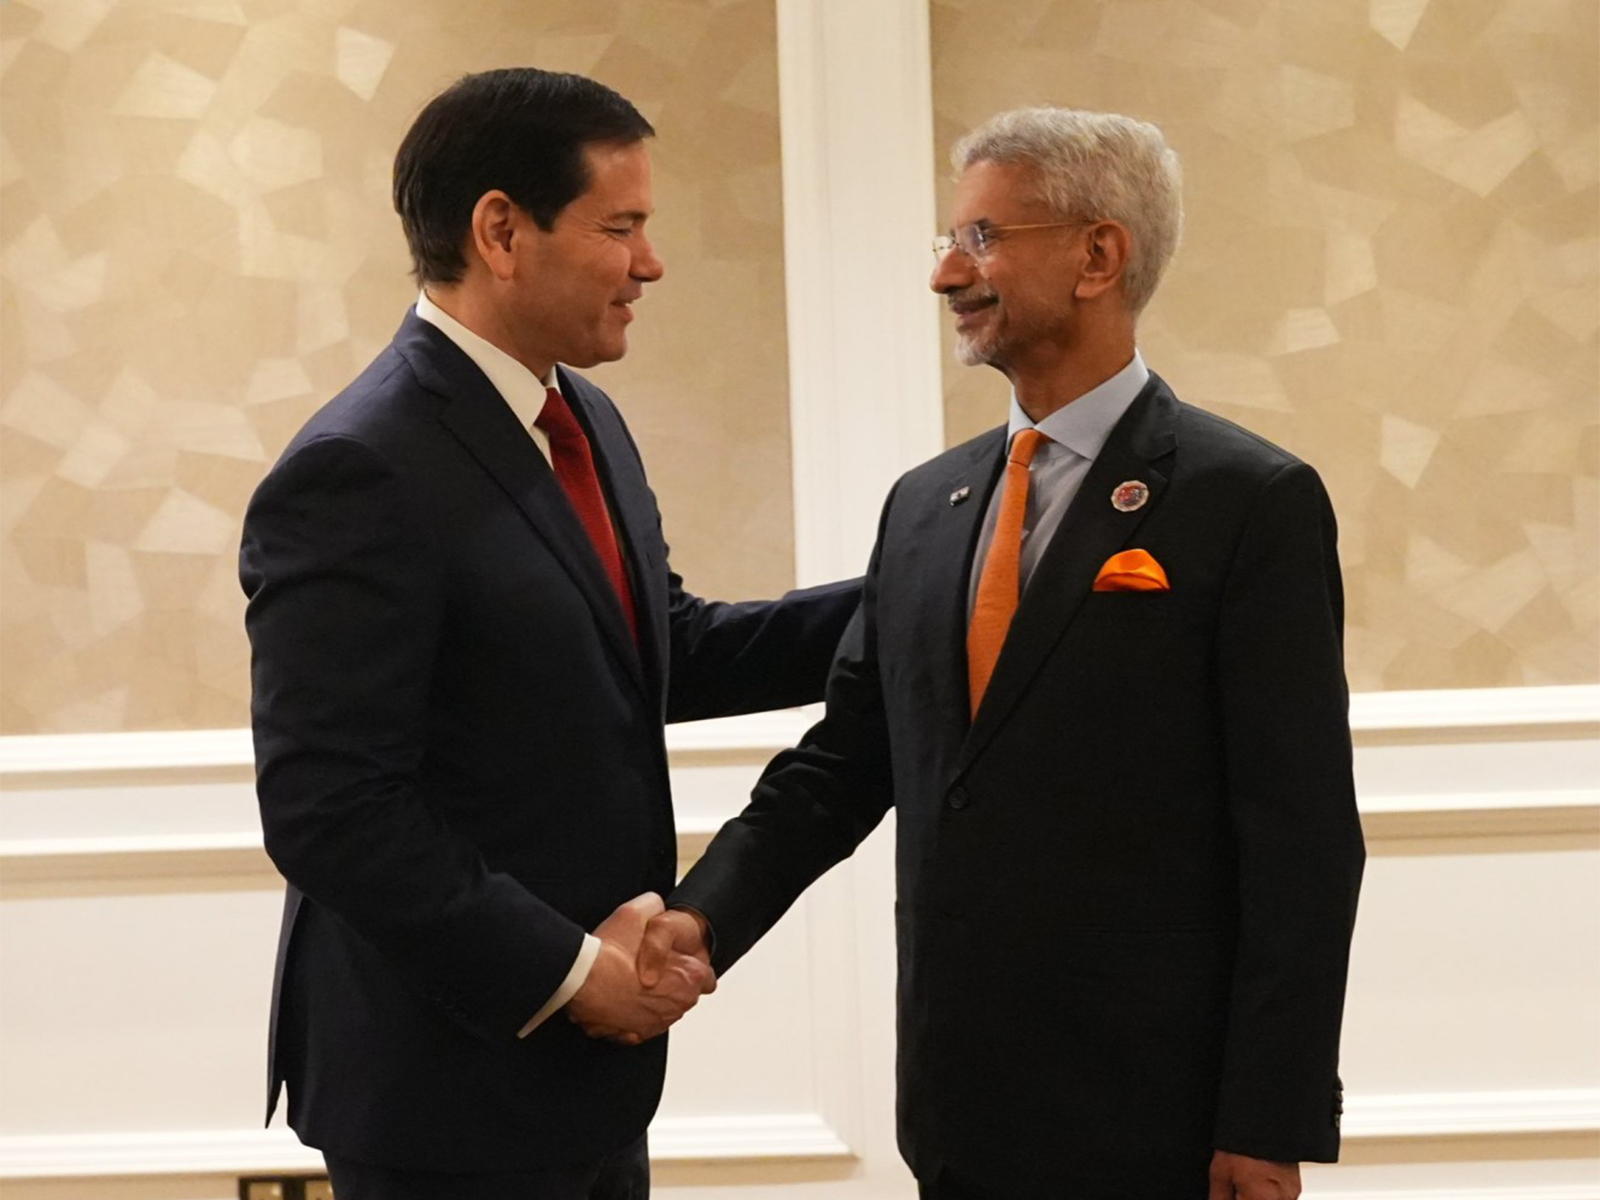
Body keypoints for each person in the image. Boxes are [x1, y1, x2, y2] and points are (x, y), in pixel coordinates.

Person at [640, 107, 1366, 1200]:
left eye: (981, 238)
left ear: (1098, 254)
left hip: (1160, 1119)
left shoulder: (1247, 502)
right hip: (959, 1105)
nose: (946, 273)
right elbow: (846, 764)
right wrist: (698, 917)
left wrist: (1267, 1119)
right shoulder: (927, 506)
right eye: (947, 239)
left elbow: (1302, 842)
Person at [239, 67, 860, 1200]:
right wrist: (573, 974)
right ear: (499, 231)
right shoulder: (359, 466)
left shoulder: (583, 415)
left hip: (579, 1082)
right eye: (620, 227)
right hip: (442, 1089)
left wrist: (916, 589)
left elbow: (660, 649)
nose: (650, 263)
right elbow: (329, 807)